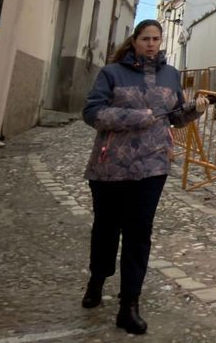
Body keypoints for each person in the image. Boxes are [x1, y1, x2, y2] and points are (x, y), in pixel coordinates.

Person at [80, 19, 208, 334]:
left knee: (139, 234)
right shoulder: (112, 73)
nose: (151, 44)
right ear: (135, 41)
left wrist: (195, 109)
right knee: (106, 229)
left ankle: (129, 305)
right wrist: (135, 117)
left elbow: (175, 118)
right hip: (110, 167)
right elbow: (92, 113)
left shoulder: (170, 75)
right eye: (146, 39)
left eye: (156, 39)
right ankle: (97, 279)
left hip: (152, 167)